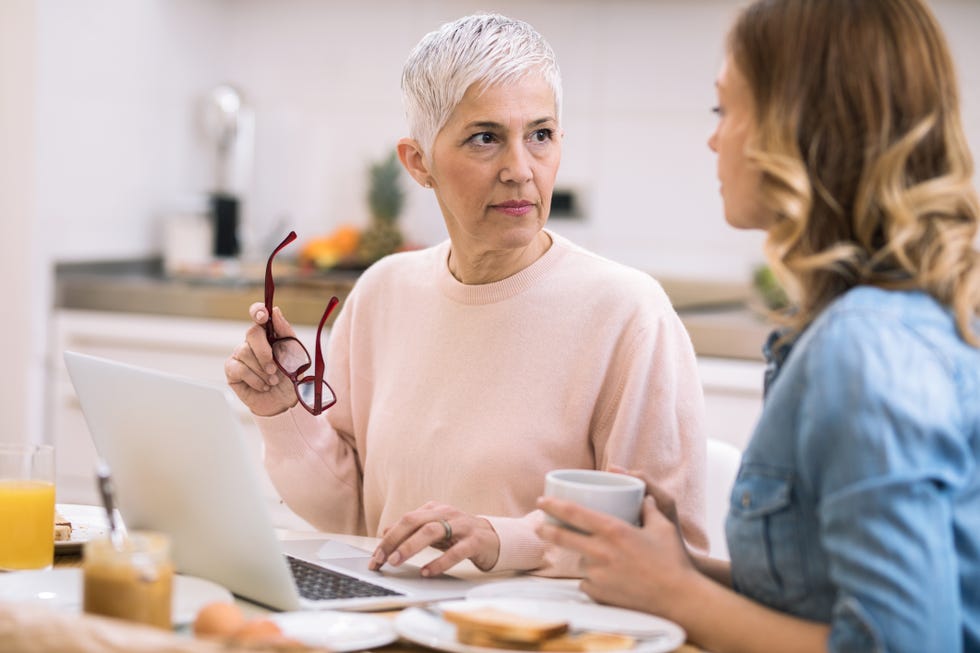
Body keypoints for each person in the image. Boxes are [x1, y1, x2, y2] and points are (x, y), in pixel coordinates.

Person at [537, 0, 980, 650]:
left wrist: (675, 595)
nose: (714, 138)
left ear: (800, 127)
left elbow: (907, 643)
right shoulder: (856, 329)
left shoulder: (865, 349)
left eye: (725, 109)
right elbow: (820, 599)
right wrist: (676, 571)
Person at [224, 12, 708, 579]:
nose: (521, 171)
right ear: (418, 162)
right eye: (485, 138)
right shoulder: (384, 291)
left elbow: (667, 547)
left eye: (540, 136)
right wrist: (282, 412)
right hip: (395, 617)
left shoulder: (628, 312)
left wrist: (499, 539)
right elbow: (354, 515)